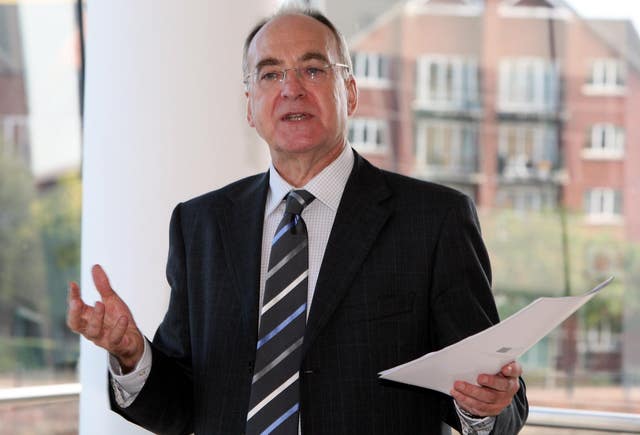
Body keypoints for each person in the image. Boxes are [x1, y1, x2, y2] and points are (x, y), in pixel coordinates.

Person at [67, 8, 528, 435]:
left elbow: (498, 398)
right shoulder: (201, 224)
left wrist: (483, 404)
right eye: (270, 74)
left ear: (349, 91)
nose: (291, 88)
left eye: (312, 69)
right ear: (250, 106)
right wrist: (131, 355)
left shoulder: (435, 219)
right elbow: (180, 405)